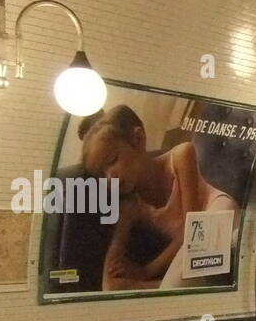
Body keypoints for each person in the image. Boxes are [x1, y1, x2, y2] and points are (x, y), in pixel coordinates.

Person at [78, 104, 235, 291]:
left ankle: (163, 288)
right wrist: (114, 276)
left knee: (199, 246)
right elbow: (108, 282)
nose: (110, 178)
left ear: (138, 139)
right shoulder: (130, 207)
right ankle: (167, 287)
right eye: (101, 175)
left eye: (112, 161)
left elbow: (192, 229)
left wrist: (146, 272)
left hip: (216, 214)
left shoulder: (181, 156)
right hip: (194, 253)